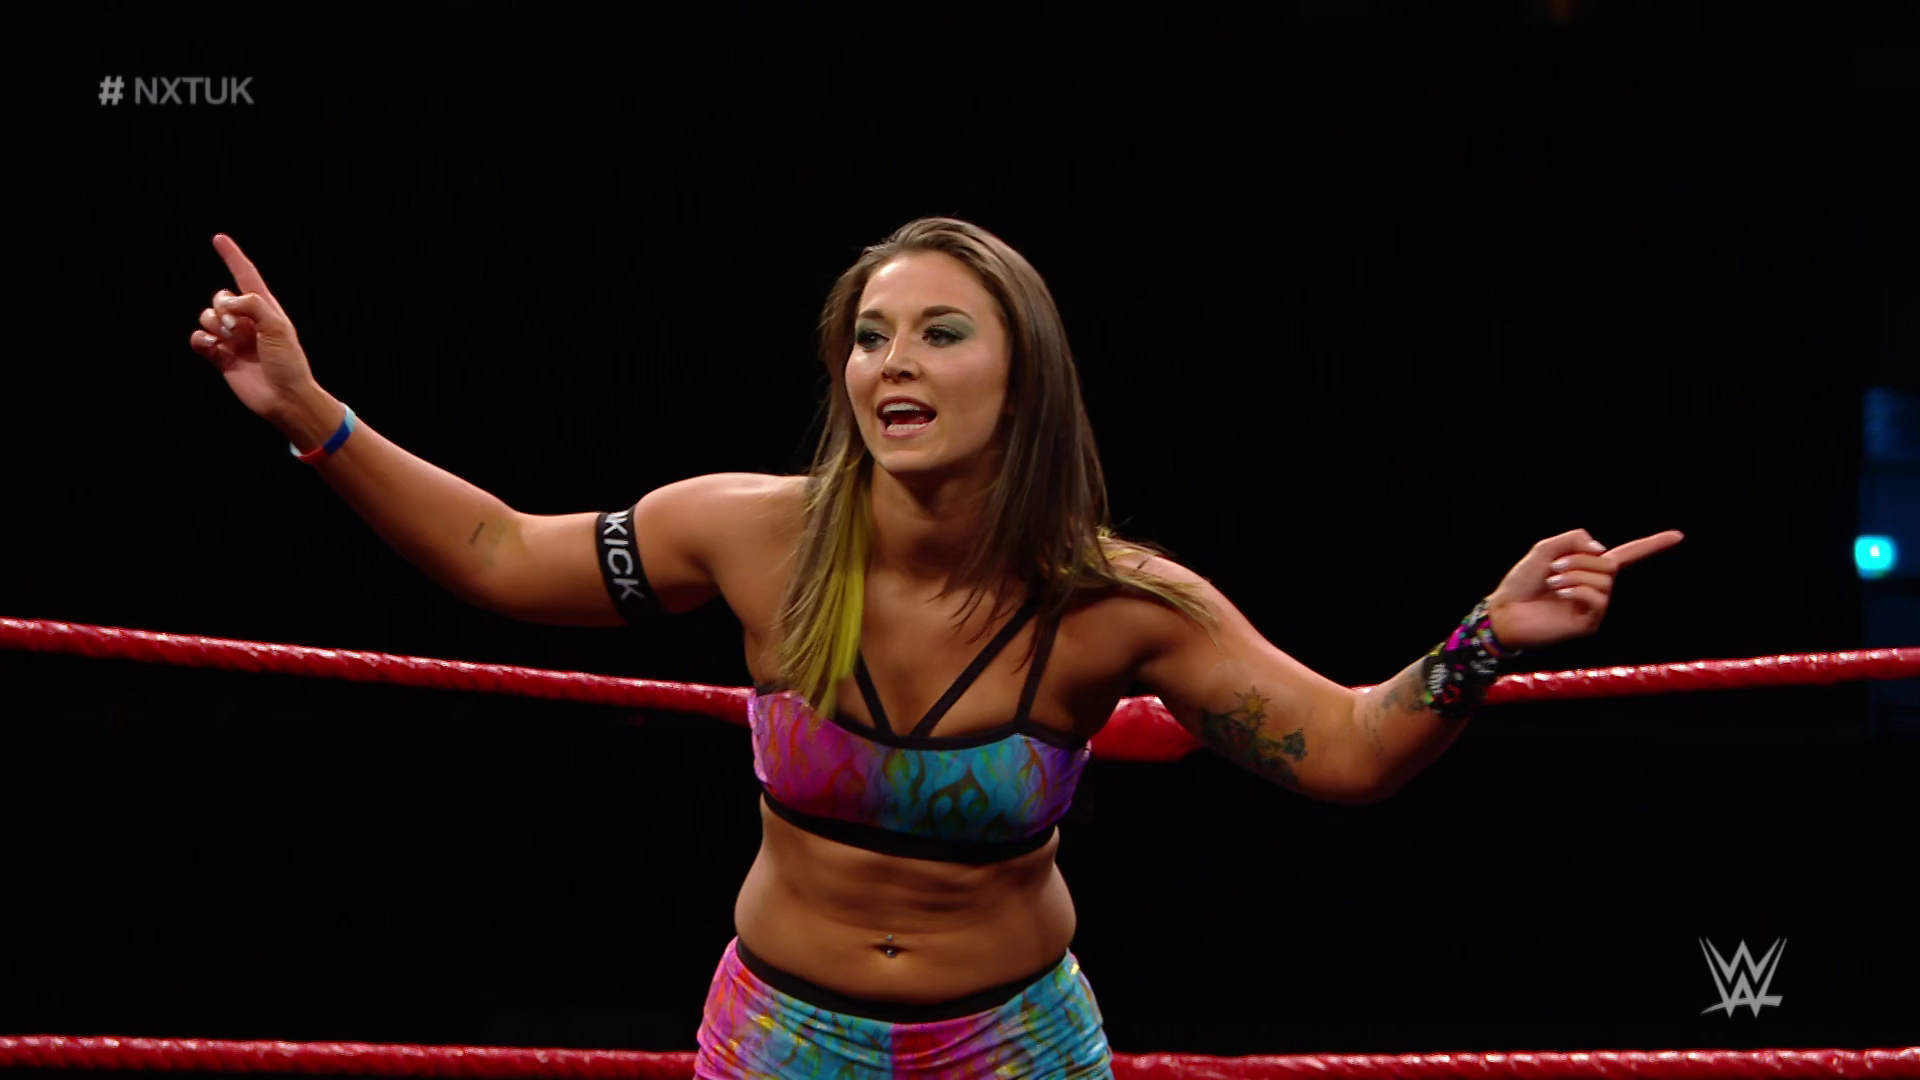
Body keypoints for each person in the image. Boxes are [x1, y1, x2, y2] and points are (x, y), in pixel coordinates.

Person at [188, 218, 1682, 1078]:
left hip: (1012, 1045)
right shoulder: (750, 533)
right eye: (870, 334)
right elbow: (502, 553)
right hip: (783, 1037)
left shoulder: (1117, 602)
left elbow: (1347, 749)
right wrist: (313, 415)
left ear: (1022, 377)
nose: (892, 362)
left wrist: (1486, 640)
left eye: (940, 333)